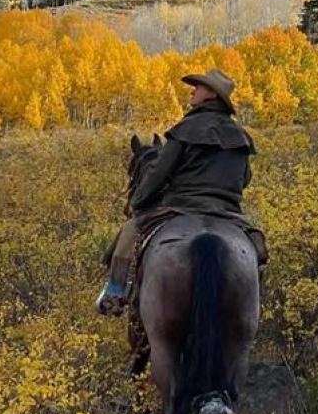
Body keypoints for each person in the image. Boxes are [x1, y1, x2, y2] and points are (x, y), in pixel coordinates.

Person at [96, 68, 260, 315]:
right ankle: (253, 306)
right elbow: (245, 179)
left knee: (129, 233)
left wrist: (139, 202)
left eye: (199, 87)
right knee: (257, 248)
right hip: (227, 211)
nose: (193, 91)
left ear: (212, 95)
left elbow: (159, 172)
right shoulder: (241, 136)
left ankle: (115, 293)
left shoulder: (186, 128)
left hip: (181, 206)